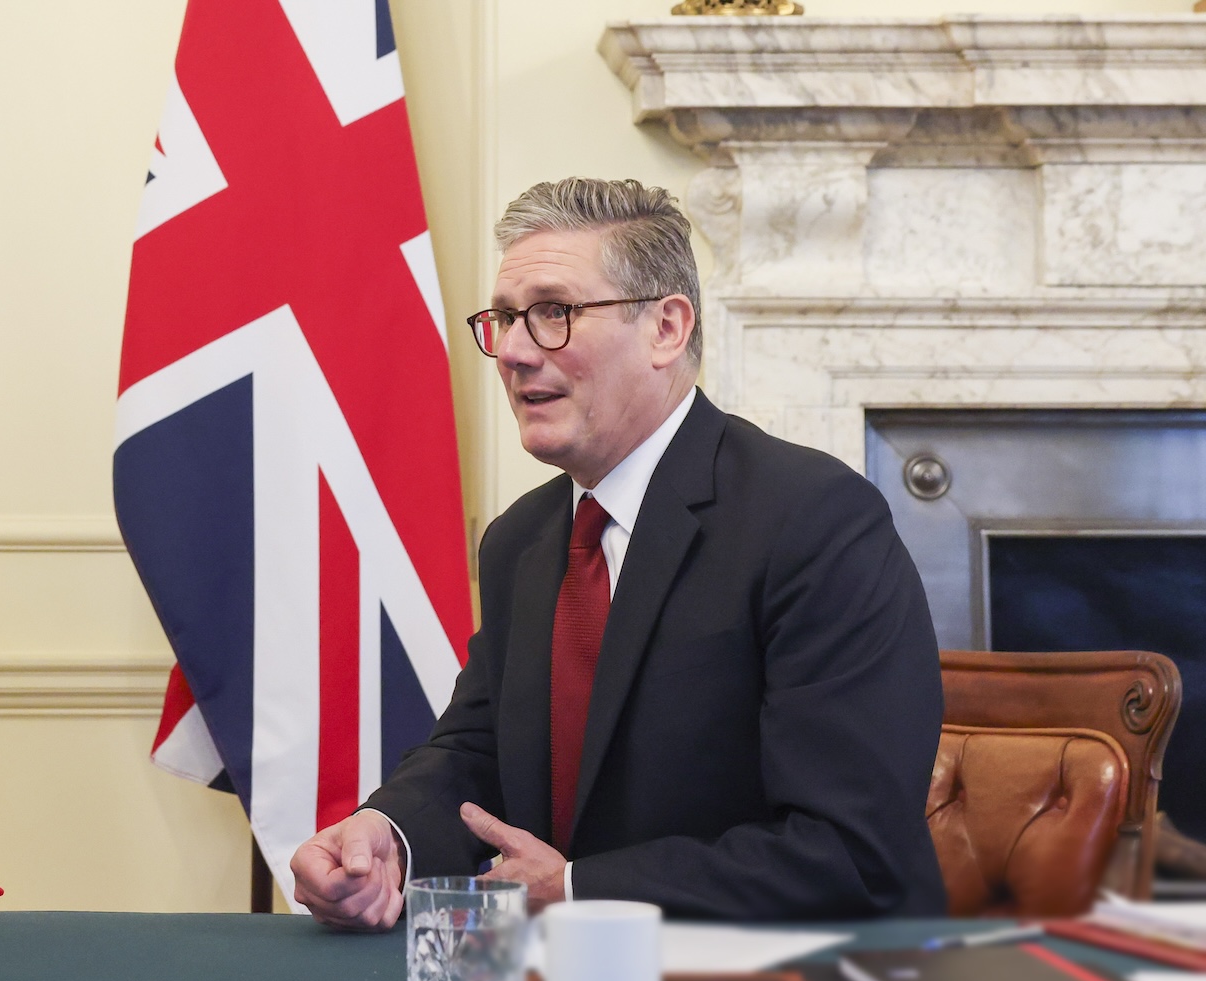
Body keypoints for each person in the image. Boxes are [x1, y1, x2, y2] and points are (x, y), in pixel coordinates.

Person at [291, 179, 947, 926]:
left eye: (552, 314)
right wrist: (387, 836)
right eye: (504, 318)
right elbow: (477, 755)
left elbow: (847, 851)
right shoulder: (522, 541)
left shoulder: (813, 521)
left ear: (666, 328)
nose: (510, 351)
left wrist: (576, 890)